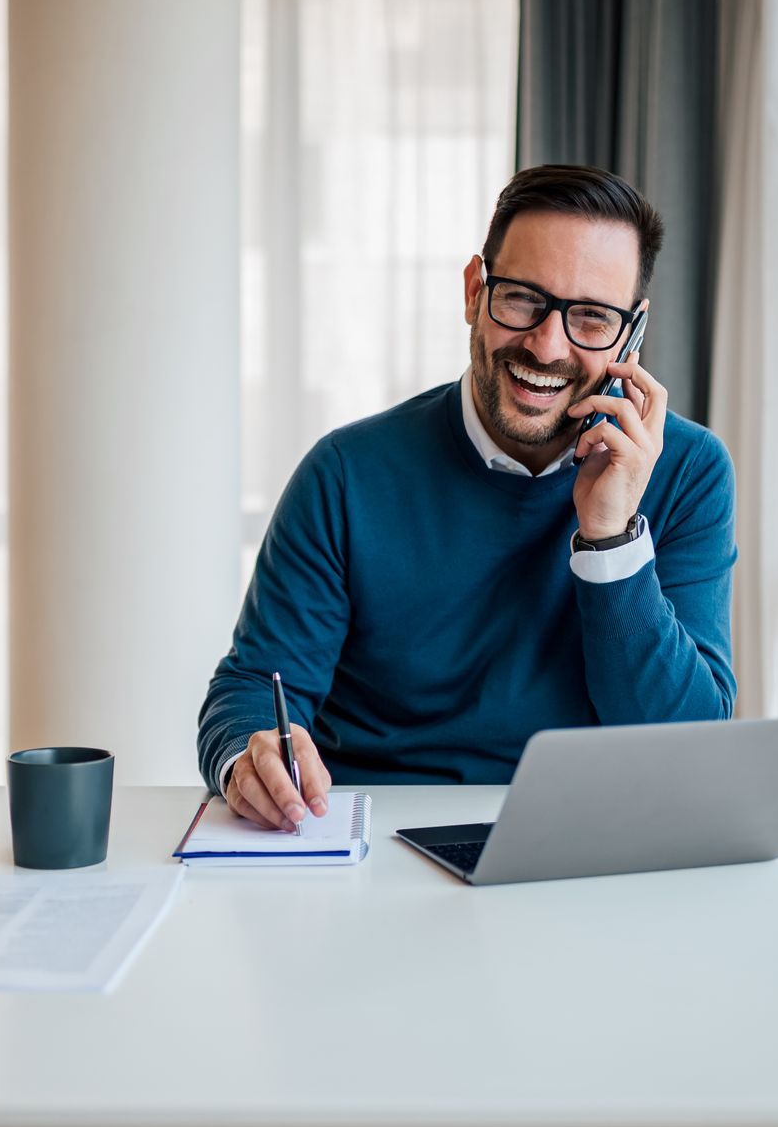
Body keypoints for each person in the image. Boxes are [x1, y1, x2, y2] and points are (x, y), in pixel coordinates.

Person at [196, 163, 736, 830]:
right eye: (521, 299)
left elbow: (687, 749)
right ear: (474, 292)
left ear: (632, 332)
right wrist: (251, 756)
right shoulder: (346, 473)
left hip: (592, 850)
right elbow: (252, 687)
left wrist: (611, 536)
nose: (546, 344)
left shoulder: (689, 471)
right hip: (382, 844)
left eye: (592, 317)